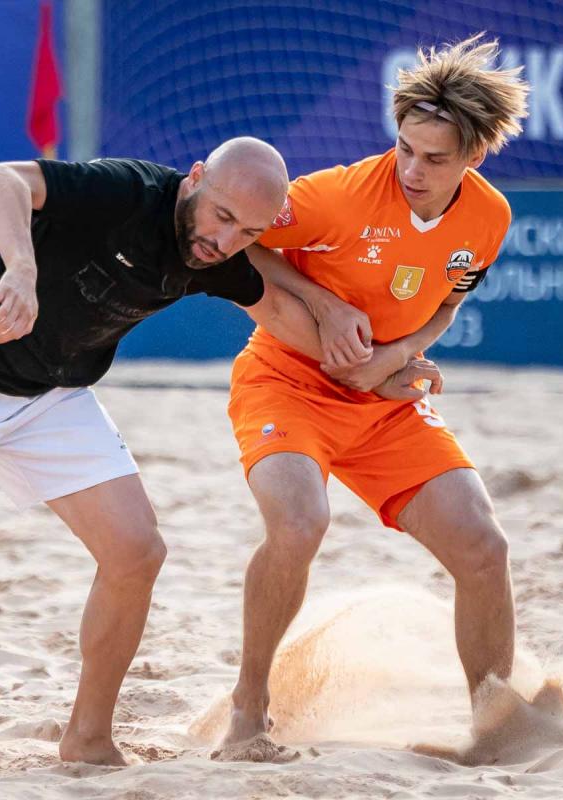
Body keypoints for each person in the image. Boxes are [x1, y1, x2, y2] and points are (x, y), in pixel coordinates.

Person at [0, 137, 407, 767]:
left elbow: (280, 312)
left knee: (137, 551)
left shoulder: (213, 253)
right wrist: (21, 269)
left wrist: (379, 369)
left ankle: (88, 738)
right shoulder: (125, 191)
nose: (225, 240)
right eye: (222, 217)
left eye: (249, 232)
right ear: (194, 179)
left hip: (48, 394)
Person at [216, 35, 532, 761]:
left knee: (484, 548)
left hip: (383, 400)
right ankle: (249, 707)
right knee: (300, 523)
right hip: (287, 382)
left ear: (475, 156)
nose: (412, 170)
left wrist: (396, 355)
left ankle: (496, 725)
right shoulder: (337, 195)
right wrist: (322, 303)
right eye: (405, 148)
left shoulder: (489, 217)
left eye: (435, 159)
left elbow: (446, 305)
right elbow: (239, 238)